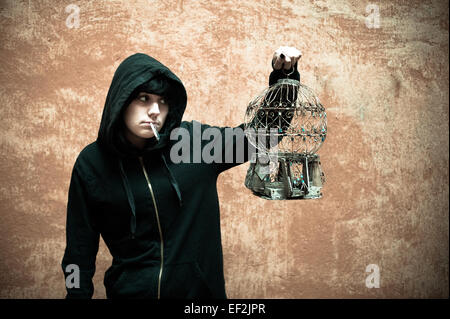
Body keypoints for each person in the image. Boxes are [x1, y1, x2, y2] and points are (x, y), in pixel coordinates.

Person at [61, 46, 302, 299]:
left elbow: (262, 136)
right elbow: (79, 252)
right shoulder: (91, 164)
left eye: (162, 102)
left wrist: (285, 81)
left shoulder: (194, 144)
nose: (155, 110)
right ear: (121, 100)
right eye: (144, 98)